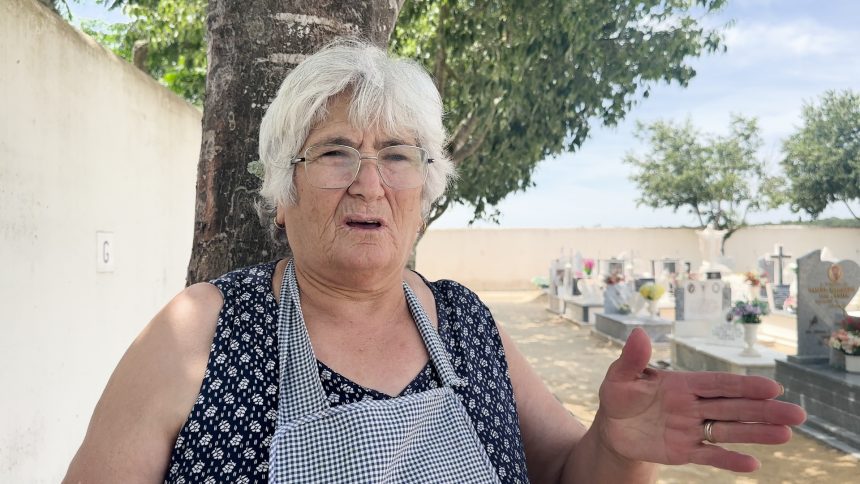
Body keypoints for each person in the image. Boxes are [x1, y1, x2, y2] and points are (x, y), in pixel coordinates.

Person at [64, 40, 805, 483]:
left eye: (397, 155)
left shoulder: (465, 322)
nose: (370, 184)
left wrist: (615, 444)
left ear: (426, 191)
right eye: (335, 152)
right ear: (282, 195)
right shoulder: (200, 333)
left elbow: (567, 473)